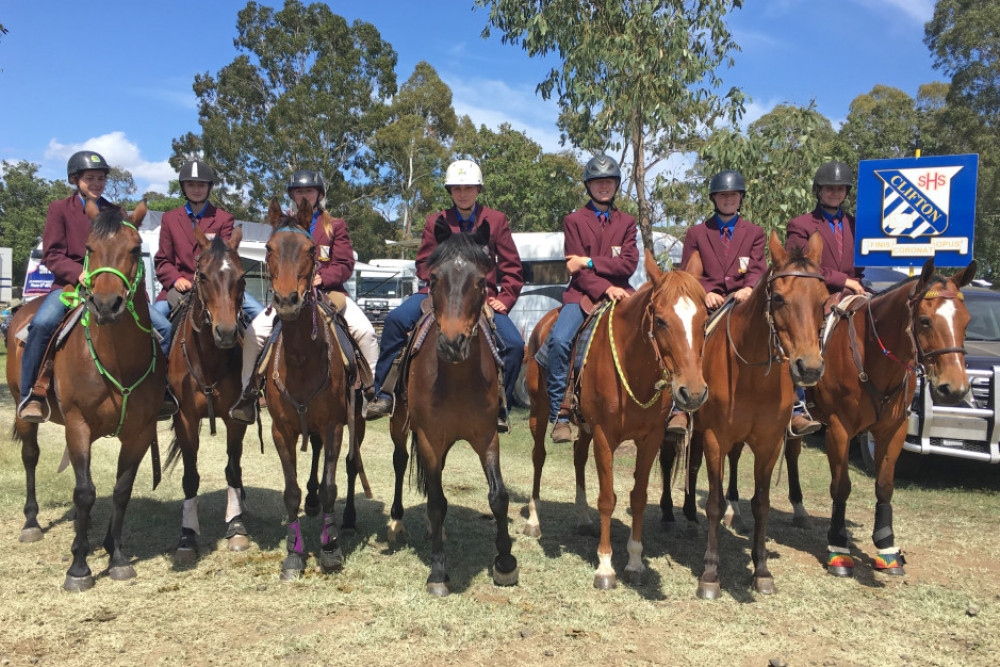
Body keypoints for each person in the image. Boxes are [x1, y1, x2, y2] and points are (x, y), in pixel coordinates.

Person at [365, 159, 525, 431]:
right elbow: (422, 263)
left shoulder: (496, 221)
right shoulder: (435, 221)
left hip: (480, 299)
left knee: (514, 345)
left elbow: (512, 268)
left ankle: (501, 407)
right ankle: (384, 394)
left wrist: (506, 298)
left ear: (478, 189)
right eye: (457, 188)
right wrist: (443, 284)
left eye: (469, 188)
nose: (463, 193)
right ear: (450, 191)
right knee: (394, 320)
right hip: (437, 295)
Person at [16, 150, 173, 422]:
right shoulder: (59, 209)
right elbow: (52, 254)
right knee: (42, 324)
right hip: (69, 287)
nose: (97, 183)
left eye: (101, 178)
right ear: (75, 179)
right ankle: (33, 393)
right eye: (90, 178)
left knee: (164, 327)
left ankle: (162, 390)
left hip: (111, 286)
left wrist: (139, 297)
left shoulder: (115, 212)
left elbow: (127, 256)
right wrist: (79, 273)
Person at [228, 169, 378, 424]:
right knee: (253, 335)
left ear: (318, 194)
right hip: (292, 293)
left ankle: (373, 391)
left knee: (365, 332)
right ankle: (247, 394)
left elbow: (344, 263)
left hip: (330, 293)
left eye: (308, 191)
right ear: (292, 195)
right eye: (298, 191)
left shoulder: (335, 225)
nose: (304, 195)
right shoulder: (283, 226)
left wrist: (324, 277)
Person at [666, 169, 768, 436]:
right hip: (709, 304)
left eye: (733, 195)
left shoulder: (755, 232)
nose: (728, 199)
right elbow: (688, 272)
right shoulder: (697, 233)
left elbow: (758, 268)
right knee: (684, 340)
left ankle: (792, 404)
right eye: (723, 195)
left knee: (775, 332)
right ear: (714, 198)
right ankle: (677, 409)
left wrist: (748, 288)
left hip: (742, 301)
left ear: (741, 198)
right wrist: (705, 290)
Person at [547, 154, 639, 443]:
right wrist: (603, 287)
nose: (604, 186)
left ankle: (664, 407)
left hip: (623, 292)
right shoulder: (573, 221)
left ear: (616, 185)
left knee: (658, 329)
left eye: (609, 181)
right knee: (561, 340)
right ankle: (561, 412)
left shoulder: (627, 222)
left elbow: (628, 265)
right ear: (589, 185)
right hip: (582, 294)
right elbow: (576, 273)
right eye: (598, 181)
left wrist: (587, 261)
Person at [783, 160, 864, 437]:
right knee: (801, 335)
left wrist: (856, 284)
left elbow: (864, 261)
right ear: (819, 190)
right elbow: (803, 264)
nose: (835, 193)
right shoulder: (801, 224)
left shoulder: (856, 224)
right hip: (817, 295)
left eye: (841, 189)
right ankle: (798, 406)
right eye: (830, 188)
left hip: (855, 292)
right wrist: (844, 281)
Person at [152, 159, 265, 352]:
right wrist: (176, 279)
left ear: (209, 187)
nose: (196, 189)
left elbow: (227, 257)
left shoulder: (223, 218)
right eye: (191, 185)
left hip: (219, 286)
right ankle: (161, 376)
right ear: (184, 188)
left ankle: (258, 374)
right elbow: (163, 260)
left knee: (262, 316)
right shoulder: (169, 218)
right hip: (179, 289)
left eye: (201, 185)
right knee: (155, 323)